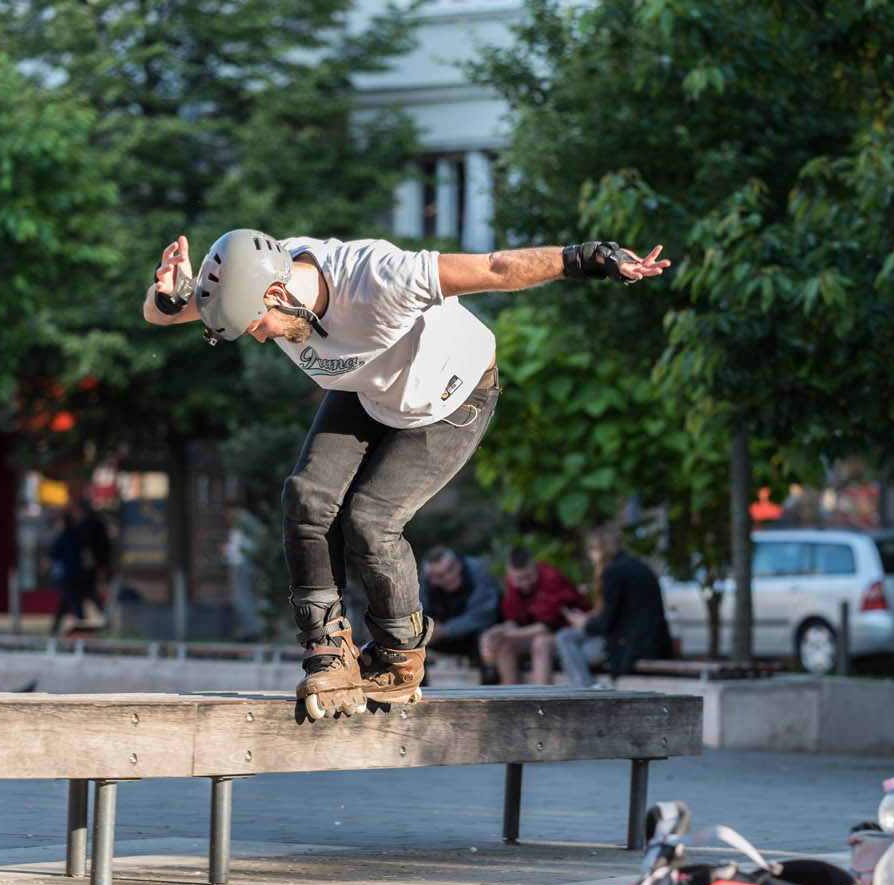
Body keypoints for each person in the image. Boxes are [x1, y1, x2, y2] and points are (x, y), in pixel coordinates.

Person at [140, 224, 667, 719]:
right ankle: (329, 650)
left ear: (277, 296)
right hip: (369, 392)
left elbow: (497, 268)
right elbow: (160, 316)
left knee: (371, 520)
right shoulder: (250, 286)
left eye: (260, 327)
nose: (262, 339)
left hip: (453, 397)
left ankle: (400, 654)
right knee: (305, 497)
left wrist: (588, 258)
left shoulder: (381, 277)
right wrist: (169, 295)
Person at [556, 527, 674, 687]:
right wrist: (591, 618)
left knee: (564, 638)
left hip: (630, 646)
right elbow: (622, 614)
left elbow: (606, 624)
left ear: (598, 550)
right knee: (571, 649)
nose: (590, 557)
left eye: (591, 550)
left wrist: (584, 623)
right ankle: (587, 686)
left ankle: (585, 689)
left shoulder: (612, 572)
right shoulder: (633, 565)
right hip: (649, 642)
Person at [482, 547, 590, 685]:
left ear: (535, 567)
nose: (525, 582)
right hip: (539, 632)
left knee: (540, 643)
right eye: (519, 578)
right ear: (510, 574)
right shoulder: (511, 583)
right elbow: (515, 621)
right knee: (504, 646)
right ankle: (509, 699)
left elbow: (548, 626)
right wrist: (498, 631)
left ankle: (539, 699)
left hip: (567, 632)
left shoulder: (551, 578)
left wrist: (507, 633)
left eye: (528, 576)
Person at [419, 544, 502, 668]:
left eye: (451, 569)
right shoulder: (425, 583)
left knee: (485, 637)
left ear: (458, 563)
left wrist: (445, 630)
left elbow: (483, 616)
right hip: (444, 637)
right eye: (440, 576)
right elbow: (418, 614)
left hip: (480, 632)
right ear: (432, 579)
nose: (449, 577)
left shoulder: (476, 570)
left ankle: (490, 681)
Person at [221, 504, 263, 642]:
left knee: (242, 597)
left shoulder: (241, 522)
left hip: (241, 563)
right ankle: (251, 629)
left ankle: (250, 631)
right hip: (248, 562)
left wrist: (226, 551)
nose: (226, 518)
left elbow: (237, 545)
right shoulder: (249, 521)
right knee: (247, 597)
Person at [47, 510, 86, 637]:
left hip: (67, 574)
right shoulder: (77, 535)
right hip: (77, 573)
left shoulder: (64, 536)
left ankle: (82, 625)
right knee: (67, 600)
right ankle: (57, 626)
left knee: (72, 599)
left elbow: (53, 554)